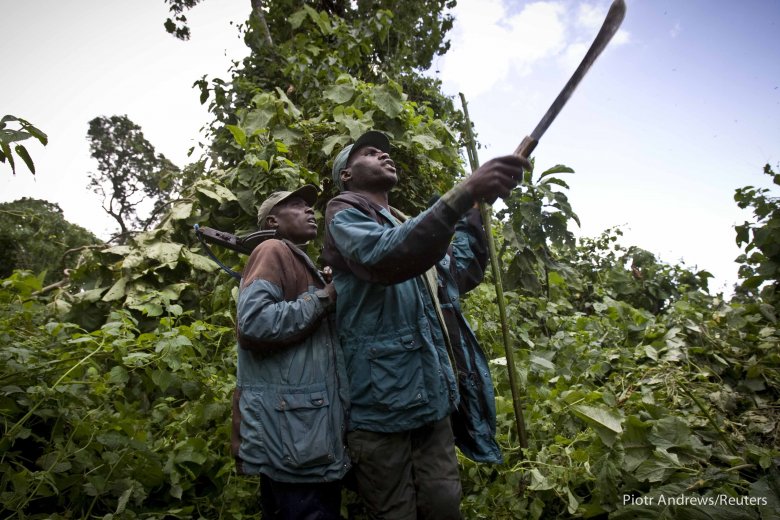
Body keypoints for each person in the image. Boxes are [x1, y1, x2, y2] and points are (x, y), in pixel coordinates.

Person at [322, 131, 529, 519]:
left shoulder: (406, 223)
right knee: (395, 512)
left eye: (384, 148)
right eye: (368, 152)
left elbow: (457, 269)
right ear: (347, 175)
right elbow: (385, 255)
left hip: (432, 400)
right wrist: (462, 193)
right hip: (379, 409)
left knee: (444, 505)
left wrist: (474, 208)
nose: (383, 152)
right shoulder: (344, 211)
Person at [231, 185, 349, 520]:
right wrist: (324, 298)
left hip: (302, 433)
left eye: (309, 206)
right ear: (272, 221)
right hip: (293, 436)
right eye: (296, 206)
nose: (309, 211)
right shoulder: (271, 249)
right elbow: (255, 323)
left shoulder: (298, 260)